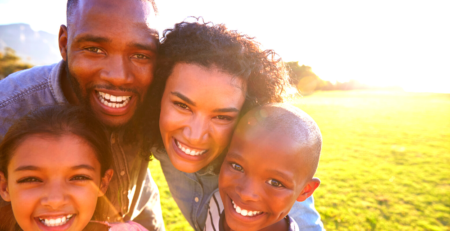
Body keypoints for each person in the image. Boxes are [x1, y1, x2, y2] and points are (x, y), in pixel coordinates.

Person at [0, 0, 163, 229]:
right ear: (64, 44)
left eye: (140, 55)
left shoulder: (157, 97)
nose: (118, 76)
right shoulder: (7, 108)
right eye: (95, 49)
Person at [147, 20, 325, 230]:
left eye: (222, 117)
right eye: (182, 105)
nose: (195, 136)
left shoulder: (268, 164)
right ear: (157, 96)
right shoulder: (153, 135)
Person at [204, 104, 322, 231]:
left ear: (305, 190)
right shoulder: (217, 203)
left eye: (275, 183)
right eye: (237, 167)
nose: (246, 194)